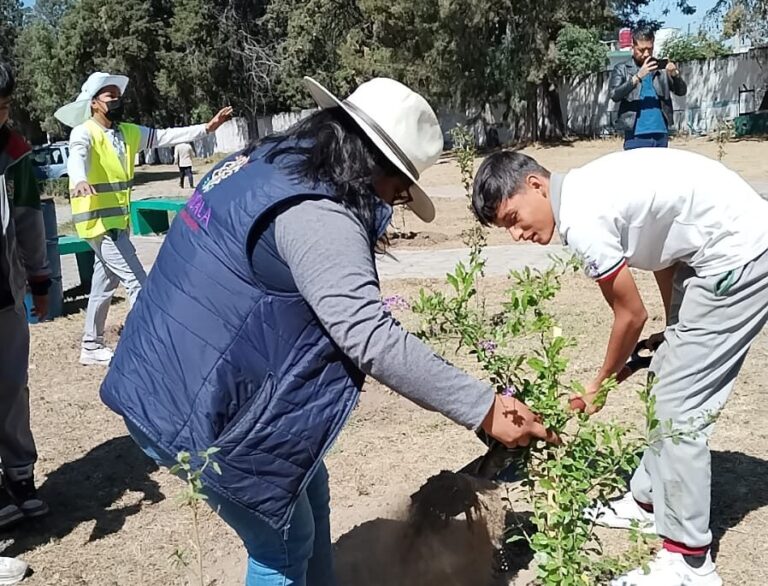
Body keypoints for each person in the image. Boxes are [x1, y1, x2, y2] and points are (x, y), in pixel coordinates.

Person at [99, 76, 559, 586]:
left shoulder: (267, 164)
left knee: (304, 486)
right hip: (197, 407)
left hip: (167, 373)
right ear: (376, 165)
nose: (396, 201)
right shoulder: (320, 212)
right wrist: (483, 407)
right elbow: (367, 334)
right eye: (400, 188)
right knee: (282, 543)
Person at [471, 148, 768, 586]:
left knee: (678, 408)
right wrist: (676, 328)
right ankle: (648, 502)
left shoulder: (581, 218)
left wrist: (598, 387)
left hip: (738, 256)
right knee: (666, 376)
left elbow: (630, 315)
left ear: (536, 185)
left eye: (513, 218)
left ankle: (689, 562)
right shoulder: (586, 189)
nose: (517, 234)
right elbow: (663, 251)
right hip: (705, 252)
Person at [54, 72, 233, 366]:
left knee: (104, 284)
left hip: (116, 224)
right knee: (139, 283)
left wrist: (207, 128)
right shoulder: (84, 132)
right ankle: (147, 350)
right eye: (111, 97)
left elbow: (164, 136)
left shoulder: (127, 133)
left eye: (117, 96)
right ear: (95, 103)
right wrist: (78, 179)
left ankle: (91, 344)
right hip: (99, 224)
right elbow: (77, 155)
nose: (117, 101)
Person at [0, 60, 51, 531]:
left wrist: (38, 279)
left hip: (5, 291)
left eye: (5, 105)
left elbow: (30, 219)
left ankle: (19, 475)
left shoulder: (16, 154)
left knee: (12, 385)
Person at [610, 27, 687, 150]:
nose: (646, 54)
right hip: (635, 134)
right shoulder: (622, 69)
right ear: (633, 47)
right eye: (641, 50)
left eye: (649, 49)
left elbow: (681, 91)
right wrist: (638, 76)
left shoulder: (661, 69)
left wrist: (675, 75)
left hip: (660, 133)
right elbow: (615, 94)